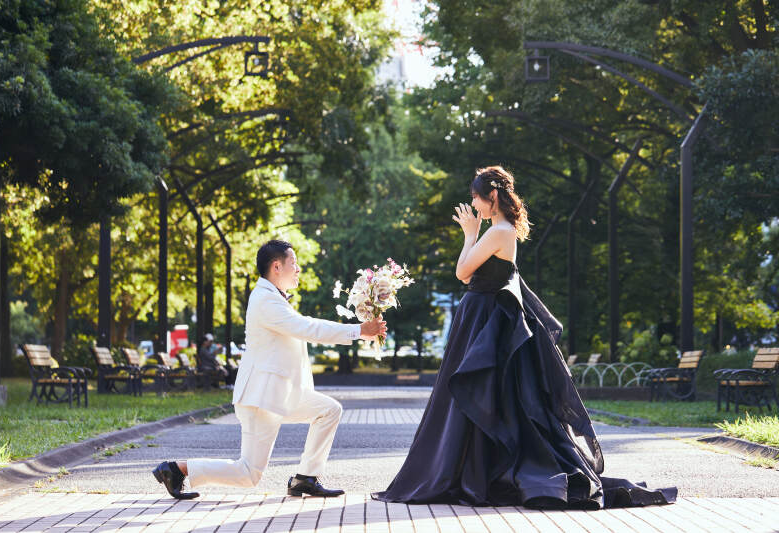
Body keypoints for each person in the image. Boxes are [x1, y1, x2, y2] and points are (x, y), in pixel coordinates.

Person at [373, 166, 676, 509]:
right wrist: (474, 233)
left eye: (476, 196)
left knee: (480, 390)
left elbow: (462, 273)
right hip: (480, 319)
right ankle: (470, 469)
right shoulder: (499, 230)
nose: (472, 203)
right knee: (479, 392)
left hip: (483, 319)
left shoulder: (499, 231)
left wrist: (469, 234)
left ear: (492, 198)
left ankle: (475, 472)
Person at [153, 239, 387, 499]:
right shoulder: (265, 299)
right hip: (261, 398)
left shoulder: (273, 297)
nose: (298, 269)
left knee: (329, 410)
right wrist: (359, 331)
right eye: (294, 263)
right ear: (277, 266)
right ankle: (177, 469)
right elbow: (307, 328)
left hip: (281, 394)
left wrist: (362, 331)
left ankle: (305, 478)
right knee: (248, 475)